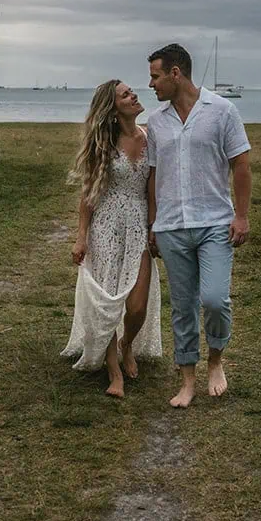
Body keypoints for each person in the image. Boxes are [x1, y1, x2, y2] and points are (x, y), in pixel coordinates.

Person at [146, 43, 252, 408]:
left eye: (156, 76)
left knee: (214, 299)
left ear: (176, 74)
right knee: (183, 306)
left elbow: (241, 165)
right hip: (171, 226)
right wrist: (153, 223)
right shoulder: (156, 122)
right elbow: (153, 176)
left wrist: (241, 215)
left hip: (214, 224)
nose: (151, 84)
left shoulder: (222, 111)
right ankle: (187, 379)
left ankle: (216, 359)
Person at [62, 80, 162, 397]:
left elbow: (152, 192)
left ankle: (126, 343)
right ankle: (113, 371)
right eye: (125, 94)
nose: (134, 95)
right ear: (113, 106)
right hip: (105, 226)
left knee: (137, 307)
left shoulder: (150, 137)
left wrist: (154, 228)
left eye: (132, 91)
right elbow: (88, 194)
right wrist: (81, 238)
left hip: (138, 228)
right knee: (107, 303)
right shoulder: (102, 144)